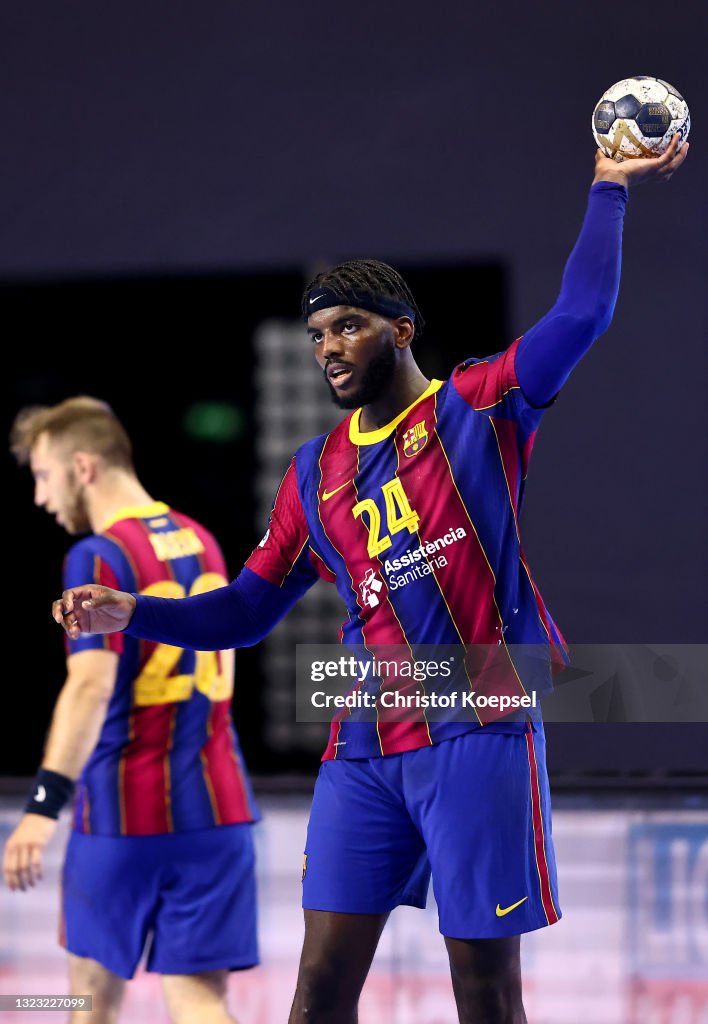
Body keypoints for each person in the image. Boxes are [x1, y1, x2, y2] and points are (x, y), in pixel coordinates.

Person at [53, 139, 688, 1024]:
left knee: (486, 994)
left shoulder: (476, 408)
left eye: (347, 326)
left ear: (402, 329)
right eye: (316, 335)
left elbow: (581, 314)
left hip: (480, 731)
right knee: (316, 996)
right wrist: (134, 611)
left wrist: (609, 187)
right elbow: (243, 612)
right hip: (364, 749)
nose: (328, 350)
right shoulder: (313, 473)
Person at [4, 397, 260, 1024]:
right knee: (200, 1002)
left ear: (82, 467)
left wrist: (42, 808)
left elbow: (90, 686)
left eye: (42, 475)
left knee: (85, 1004)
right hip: (218, 813)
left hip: (123, 817)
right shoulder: (201, 539)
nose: (40, 497)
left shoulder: (96, 556)